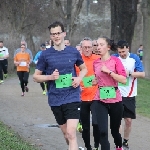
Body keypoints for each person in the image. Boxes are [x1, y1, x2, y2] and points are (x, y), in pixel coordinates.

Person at [33, 21, 87, 150]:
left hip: (72, 96)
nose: (56, 36)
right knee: (66, 134)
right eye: (53, 34)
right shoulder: (45, 54)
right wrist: (50, 77)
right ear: (50, 36)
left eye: (58, 33)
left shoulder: (73, 52)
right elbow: (36, 76)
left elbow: (84, 69)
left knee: (71, 133)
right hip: (55, 99)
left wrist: (79, 78)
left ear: (64, 34)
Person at [92, 37, 127, 150]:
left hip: (115, 99)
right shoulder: (95, 63)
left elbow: (123, 80)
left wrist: (109, 72)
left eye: (101, 44)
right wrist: (95, 81)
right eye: (97, 45)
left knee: (115, 131)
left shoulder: (115, 61)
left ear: (108, 47)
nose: (98, 47)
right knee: (102, 131)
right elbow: (96, 78)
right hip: (100, 98)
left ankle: (118, 146)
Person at [114, 40, 145, 150]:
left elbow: (142, 74)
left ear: (128, 48)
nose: (121, 54)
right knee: (117, 120)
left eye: (123, 51)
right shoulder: (114, 58)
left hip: (130, 94)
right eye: (119, 52)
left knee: (128, 121)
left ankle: (125, 142)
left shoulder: (134, 58)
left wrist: (130, 73)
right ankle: (118, 143)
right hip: (116, 93)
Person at [76, 37, 100, 150]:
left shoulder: (98, 58)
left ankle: (96, 145)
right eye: (84, 47)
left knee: (96, 123)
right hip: (82, 97)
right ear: (81, 48)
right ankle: (88, 147)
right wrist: (77, 83)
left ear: (92, 47)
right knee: (85, 126)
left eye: (89, 47)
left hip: (96, 96)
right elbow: (72, 75)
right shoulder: (77, 60)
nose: (87, 49)